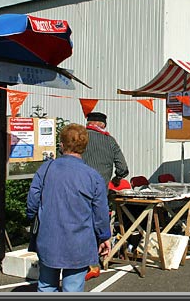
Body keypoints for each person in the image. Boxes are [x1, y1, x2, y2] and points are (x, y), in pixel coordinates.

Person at [26, 124, 111, 292]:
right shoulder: (92, 176)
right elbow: (100, 212)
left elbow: (32, 201)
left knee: (46, 286)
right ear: (84, 148)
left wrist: (32, 217)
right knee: (72, 288)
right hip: (79, 242)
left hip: (49, 238)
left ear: (62, 145)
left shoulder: (46, 168)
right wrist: (104, 236)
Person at [82, 112, 129, 187]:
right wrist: (117, 178)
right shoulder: (110, 140)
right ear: (103, 125)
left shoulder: (77, 138)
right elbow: (122, 168)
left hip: (78, 188)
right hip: (101, 190)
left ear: (88, 124)